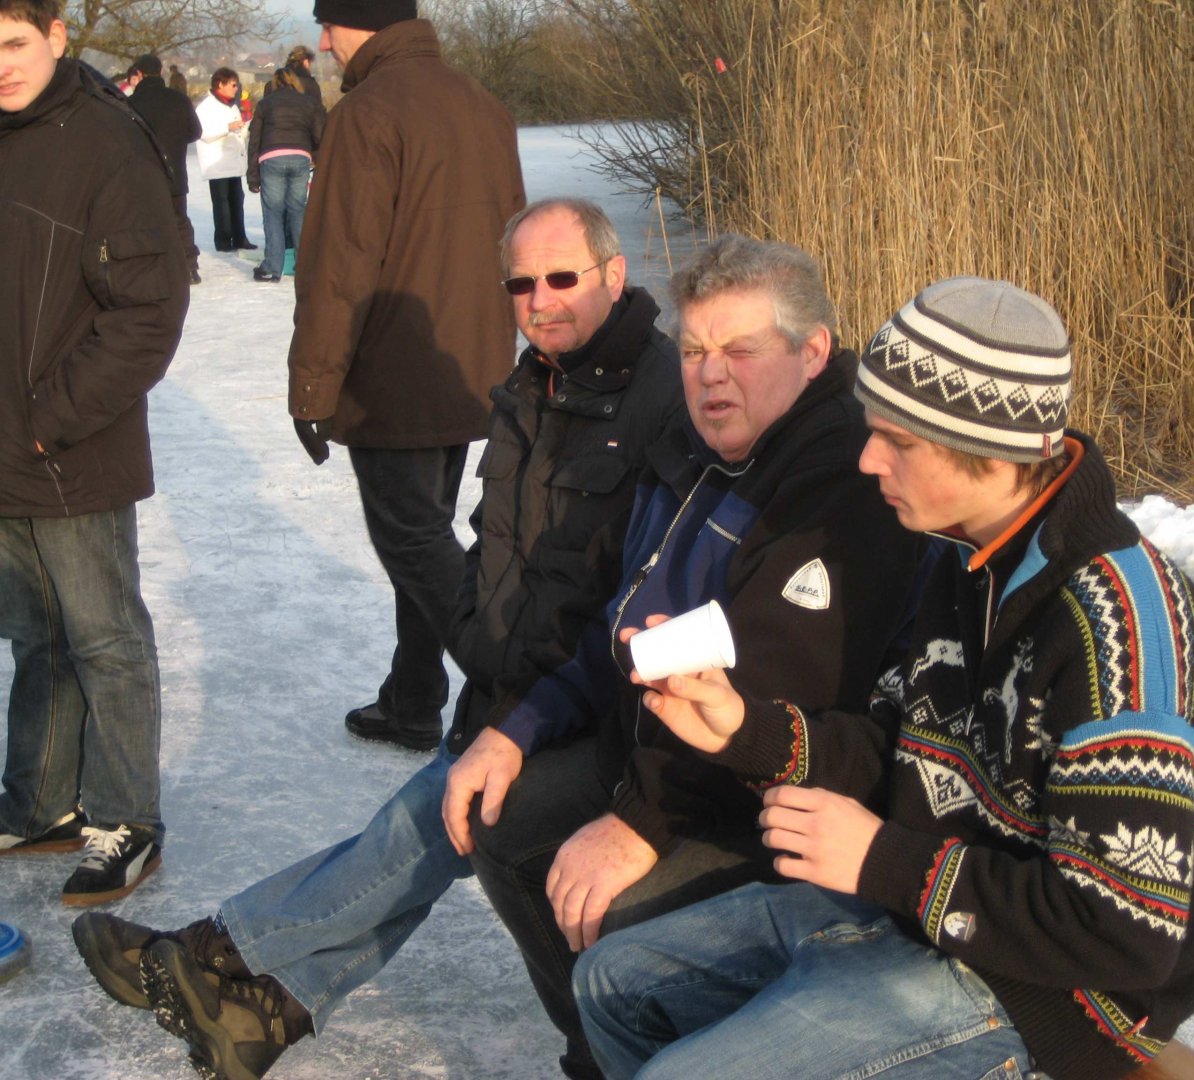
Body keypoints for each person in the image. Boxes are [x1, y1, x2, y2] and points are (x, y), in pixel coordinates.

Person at [573, 276, 1194, 1080]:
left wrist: (883, 860)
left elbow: (1124, 933)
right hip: (924, 917)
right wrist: (743, 729)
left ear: (990, 451)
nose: (868, 460)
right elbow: (901, 749)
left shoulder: (1124, 634)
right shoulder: (964, 557)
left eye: (897, 441)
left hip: (1058, 1001)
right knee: (613, 983)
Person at [71, 197, 683, 1079]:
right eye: (520, 284)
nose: (540, 300)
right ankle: (262, 1010)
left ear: (614, 275)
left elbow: (634, 607)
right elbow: (496, 550)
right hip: (520, 685)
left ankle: (220, 954)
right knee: (436, 812)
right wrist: (477, 646)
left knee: (440, 815)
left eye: (561, 278)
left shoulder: (662, 399)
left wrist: (520, 718)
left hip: (595, 708)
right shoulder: (537, 385)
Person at [447, 234, 933, 1078]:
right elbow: (618, 621)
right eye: (696, 351)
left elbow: (769, 695)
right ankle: (601, 1054)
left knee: (621, 917)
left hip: (765, 799)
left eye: (740, 351)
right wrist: (515, 726)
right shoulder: (696, 451)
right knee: (501, 820)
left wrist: (639, 823)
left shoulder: (837, 486)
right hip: (656, 751)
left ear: (813, 352)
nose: (711, 375)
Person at [288, 0, 526, 754]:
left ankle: (514, 693)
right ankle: (414, 697)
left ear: (363, 20)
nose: (323, 40)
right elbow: (514, 239)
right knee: (424, 534)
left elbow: (339, 268)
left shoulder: (368, 113)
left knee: (413, 538)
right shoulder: (482, 105)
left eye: (329, 22)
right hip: (469, 364)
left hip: (395, 369)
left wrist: (312, 388)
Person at [0, 0, 188, 904]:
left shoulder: (108, 141)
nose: (1, 66)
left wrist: (51, 419)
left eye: (14, 43)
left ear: (57, 35)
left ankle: (127, 819)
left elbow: (149, 309)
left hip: (70, 444)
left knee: (104, 637)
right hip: (5, 444)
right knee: (35, 632)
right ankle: (40, 803)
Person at [127, 52, 203, 285]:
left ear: (139, 74)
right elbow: (195, 132)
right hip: (175, 172)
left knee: (145, 222)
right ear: (161, 71)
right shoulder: (179, 100)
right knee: (179, 221)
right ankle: (189, 268)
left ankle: (150, 267)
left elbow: (123, 139)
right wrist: (175, 140)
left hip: (143, 174)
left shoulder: (131, 104)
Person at [245, 65, 323, 283]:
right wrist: (315, 157)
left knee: (273, 214)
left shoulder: (265, 104)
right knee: (298, 211)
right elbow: (319, 135)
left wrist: (253, 176)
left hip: (271, 157)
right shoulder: (308, 103)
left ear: (275, 83)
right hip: (300, 157)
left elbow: (255, 140)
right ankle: (305, 266)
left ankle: (272, 267)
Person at [194, 67, 254, 252]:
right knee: (222, 203)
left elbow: (237, 130)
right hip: (217, 164)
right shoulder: (206, 107)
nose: (236, 89)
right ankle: (223, 240)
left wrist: (245, 128)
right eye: (233, 85)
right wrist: (227, 127)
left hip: (234, 161)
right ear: (220, 84)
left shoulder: (232, 105)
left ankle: (240, 237)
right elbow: (202, 133)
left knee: (237, 200)